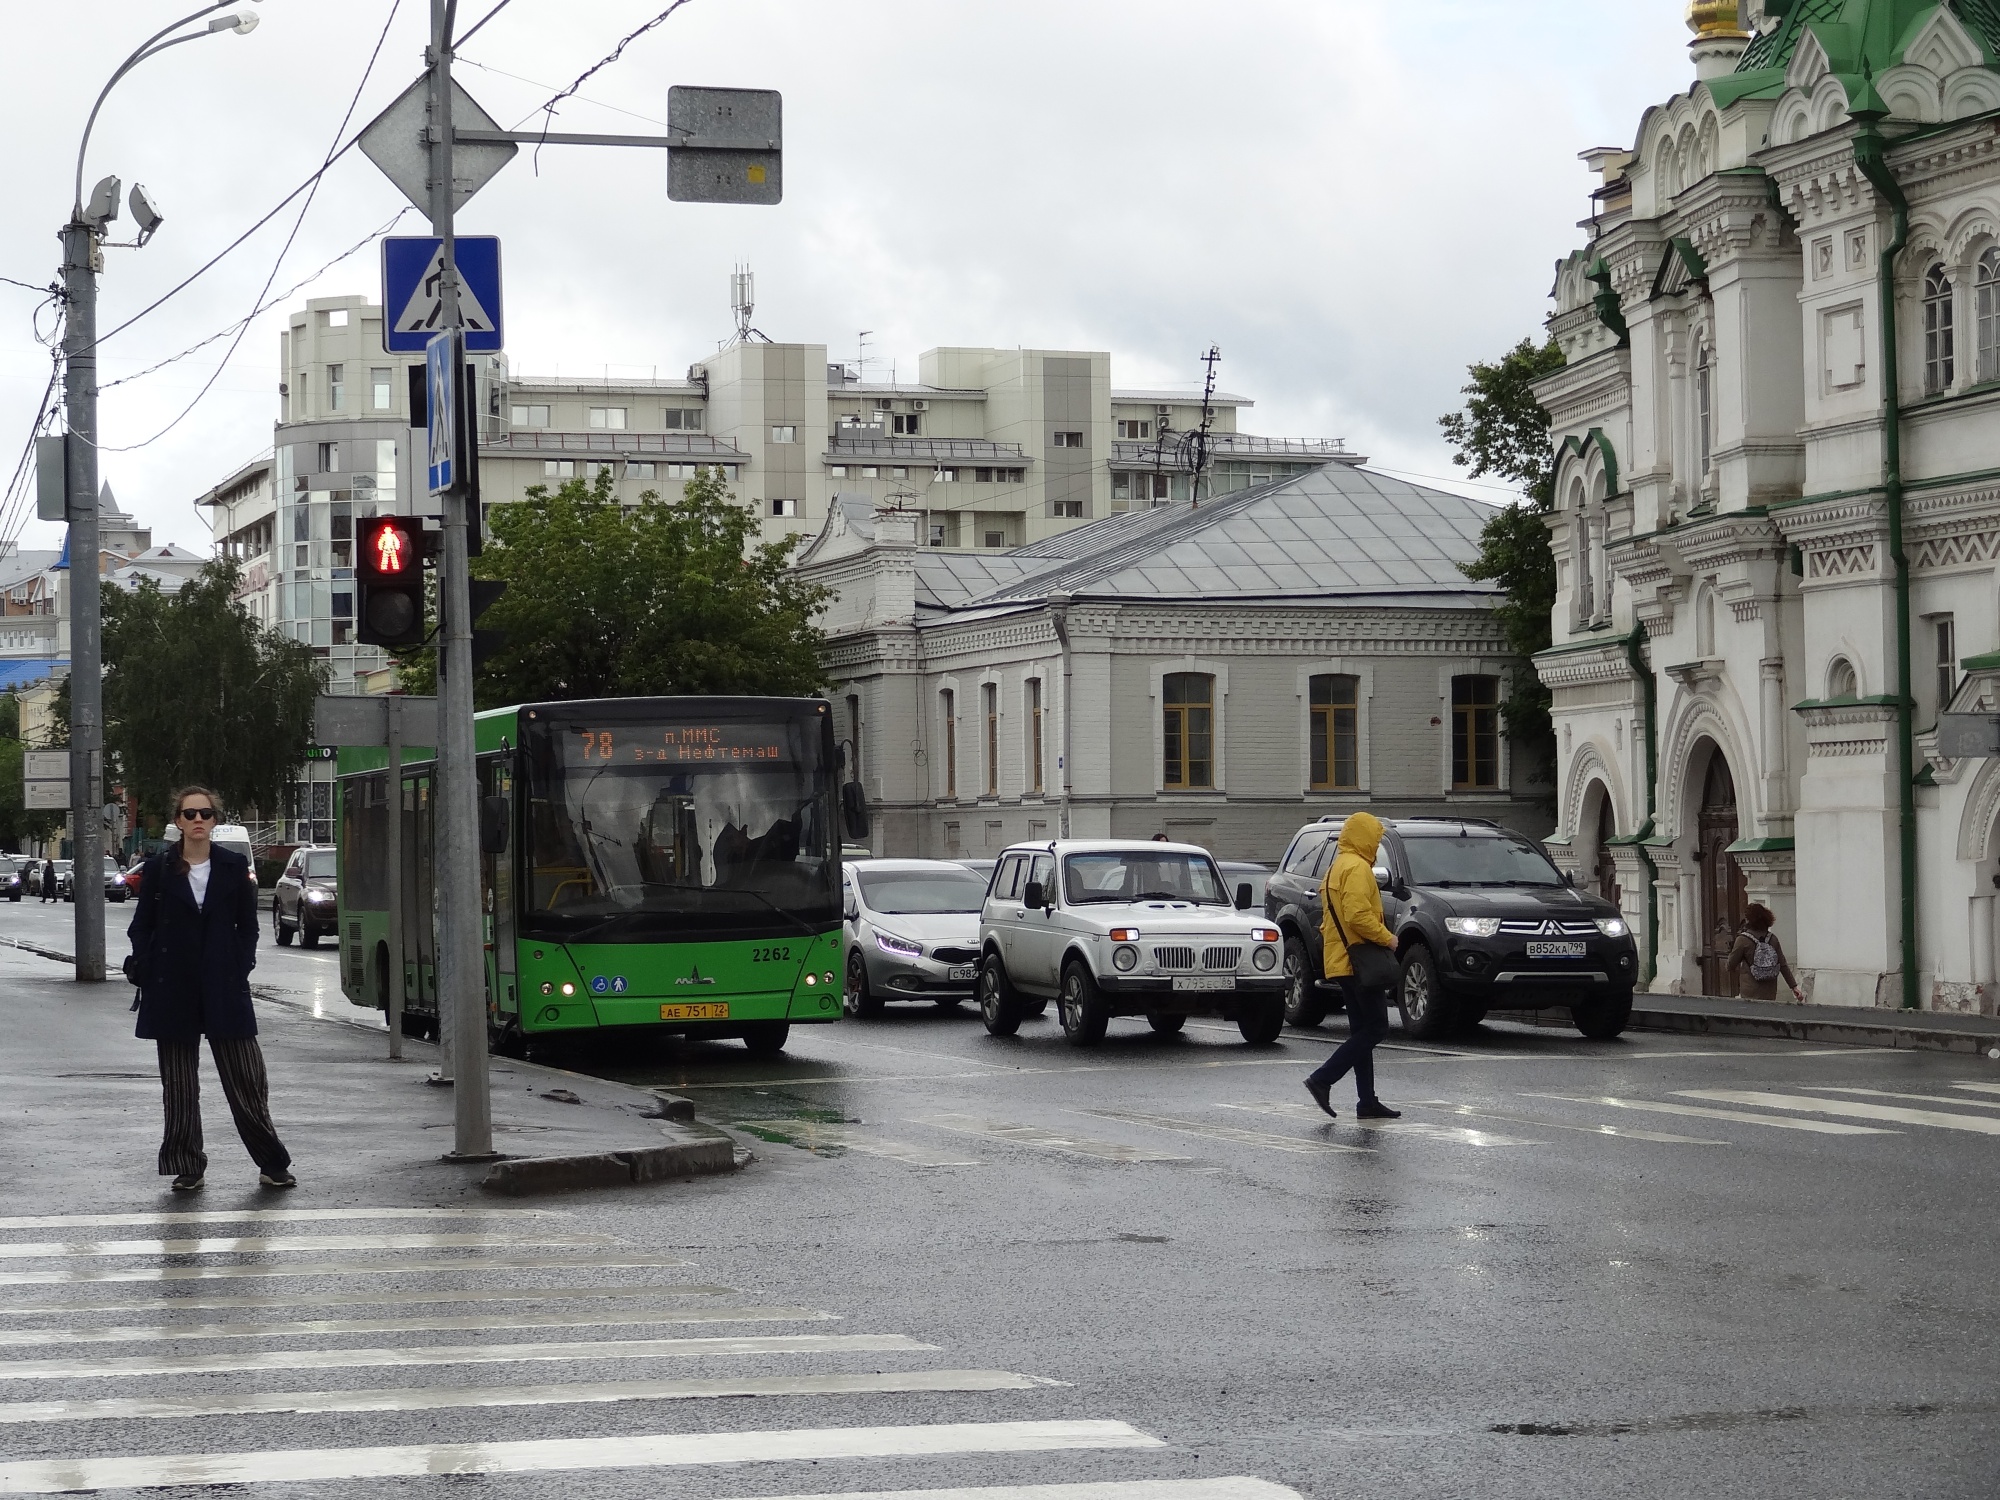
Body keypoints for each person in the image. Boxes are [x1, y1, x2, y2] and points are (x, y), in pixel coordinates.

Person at [126, 786, 294, 1193]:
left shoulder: (234, 867)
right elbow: (141, 925)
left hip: (223, 983)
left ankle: (272, 1163)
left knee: (247, 1079)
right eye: (189, 814)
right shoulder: (160, 869)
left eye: (205, 814)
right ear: (178, 821)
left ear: (215, 820)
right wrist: (148, 963)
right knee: (180, 1085)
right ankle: (188, 1165)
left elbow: (248, 927)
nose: (197, 820)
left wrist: (240, 965)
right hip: (172, 984)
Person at [1304, 811, 1402, 1120]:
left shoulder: (1335, 868)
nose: (1376, 844)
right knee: (1376, 1028)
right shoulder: (1358, 868)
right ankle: (1323, 1079)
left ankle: (1367, 1102)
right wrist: (1388, 939)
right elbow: (1358, 916)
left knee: (1362, 1031)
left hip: (1342, 960)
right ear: (1365, 838)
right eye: (1375, 838)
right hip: (1360, 960)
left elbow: (1330, 920)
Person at [1727, 903, 1805, 1003]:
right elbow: (1783, 965)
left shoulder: (1742, 940)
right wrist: (1793, 987)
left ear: (1749, 920)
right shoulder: (1772, 939)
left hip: (1749, 991)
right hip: (1769, 991)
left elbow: (1730, 965)